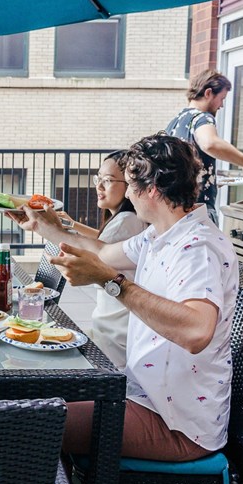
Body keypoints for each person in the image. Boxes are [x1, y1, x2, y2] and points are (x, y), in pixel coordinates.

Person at [8, 134, 238, 462]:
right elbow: (103, 252)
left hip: (176, 423)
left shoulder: (197, 247)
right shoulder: (160, 235)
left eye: (130, 184)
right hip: (141, 394)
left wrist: (111, 283)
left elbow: (196, 331)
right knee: (35, 400)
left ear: (153, 189)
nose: (128, 193)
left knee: (25, 426)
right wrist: (41, 225)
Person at [56, 150, 147, 369]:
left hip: (112, 339)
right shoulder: (126, 219)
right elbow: (102, 242)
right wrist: (70, 225)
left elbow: (90, 255)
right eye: (98, 178)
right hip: (113, 329)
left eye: (108, 180)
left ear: (130, 185)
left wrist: (49, 227)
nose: (99, 187)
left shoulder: (127, 221)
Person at [165, 69, 243, 223]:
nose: (221, 106)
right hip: (197, 211)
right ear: (208, 93)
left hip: (175, 210)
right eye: (222, 98)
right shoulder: (201, 117)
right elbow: (209, 143)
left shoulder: (176, 122)